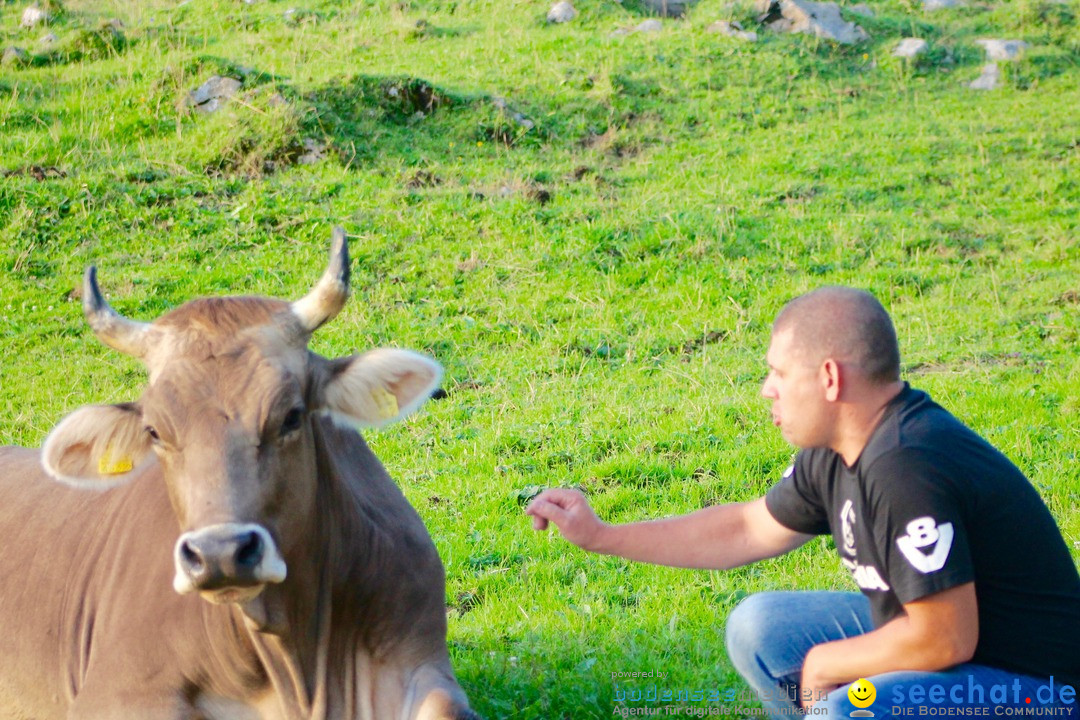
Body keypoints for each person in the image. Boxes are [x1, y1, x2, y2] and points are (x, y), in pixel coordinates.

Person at [526, 287, 1080, 718]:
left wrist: (825, 665)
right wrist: (603, 535)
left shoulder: (906, 465)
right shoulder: (839, 448)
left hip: (1036, 691)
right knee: (760, 626)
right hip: (964, 657)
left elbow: (945, 636)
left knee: (849, 708)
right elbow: (746, 528)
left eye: (778, 373)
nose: (768, 388)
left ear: (830, 379)